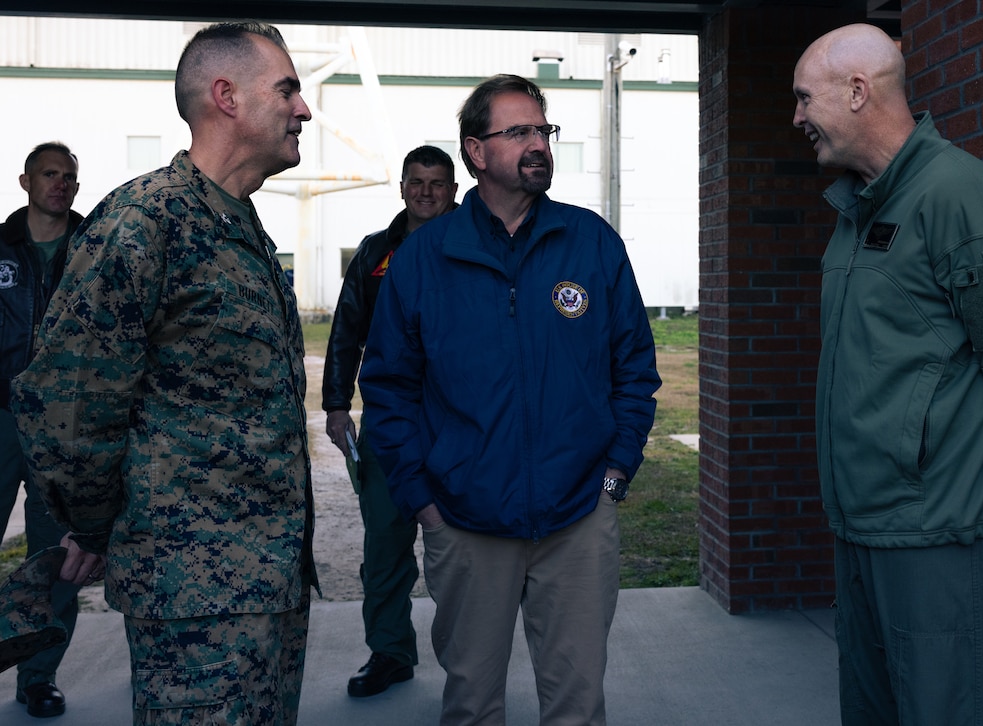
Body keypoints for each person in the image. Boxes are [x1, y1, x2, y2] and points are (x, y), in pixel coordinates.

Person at [12, 21, 316, 725]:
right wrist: (94, 525)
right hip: (193, 598)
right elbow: (68, 405)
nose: (303, 110)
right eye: (288, 90)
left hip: (267, 586)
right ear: (226, 97)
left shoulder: (238, 224)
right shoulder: (146, 221)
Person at [793, 23, 983, 725]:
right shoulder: (860, 208)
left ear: (857, 92)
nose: (796, 118)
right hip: (867, 526)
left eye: (804, 98)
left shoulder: (957, 197)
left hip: (944, 530)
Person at [359, 74, 660, 725]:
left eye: (543, 129)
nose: (538, 144)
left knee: (578, 705)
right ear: (475, 151)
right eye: (518, 131)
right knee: (471, 705)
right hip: (466, 523)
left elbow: (634, 366)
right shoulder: (424, 258)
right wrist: (424, 501)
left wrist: (614, 476)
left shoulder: (591, 242)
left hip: (578, 516)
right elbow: (387, 388)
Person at [322, 144, 458, 698]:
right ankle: (389, 651)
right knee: (385, 543)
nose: (426, 191)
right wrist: (336, 405)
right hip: (390, 425)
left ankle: (469, 659)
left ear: (454, 189)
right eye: (415, 181)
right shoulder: (377, 254)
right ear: (402, 188)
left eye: (436, 182)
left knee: (463, 550)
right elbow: (346, 330)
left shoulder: (478, 243)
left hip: (459, 425)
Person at [0, 141, 105, 718]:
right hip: (0, 419)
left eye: (69, 177)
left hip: (66, 428)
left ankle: (39, 677)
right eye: (49, 174)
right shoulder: (0, 247)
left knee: (57, 553)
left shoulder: (94, 251)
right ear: (25, 182)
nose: (60, 185)